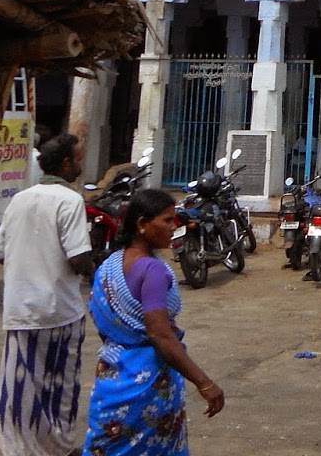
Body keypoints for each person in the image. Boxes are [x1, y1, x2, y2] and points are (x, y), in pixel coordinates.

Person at [84, 188, 225, 455]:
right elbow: (160, 334)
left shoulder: (110, 265)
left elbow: (103, 319)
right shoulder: (153, 271)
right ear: (142, 225)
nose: (174, 227)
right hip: (147, 388)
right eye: (167, 220)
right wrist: (205, 383)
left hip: (113, 380)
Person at [0, 133, 93, 456]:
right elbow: (78, 258)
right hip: (58, 312)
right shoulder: (70, 200)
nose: (80, 165)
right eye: (77, 159)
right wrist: (99, 269)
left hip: (19, 311)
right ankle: (57, 448)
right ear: (65, 165)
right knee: (58, 390)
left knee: (18, 393)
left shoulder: (19, 199)